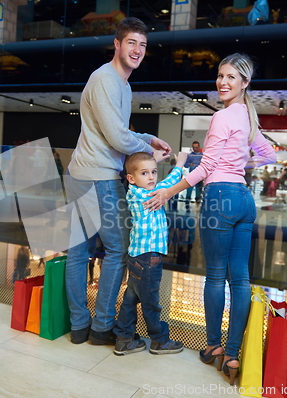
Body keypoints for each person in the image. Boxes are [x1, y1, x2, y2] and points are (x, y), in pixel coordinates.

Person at [144, 53, 276, 385]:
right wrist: (243, 167)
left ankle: (214, 347)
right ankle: (233, 355)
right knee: (240, 280)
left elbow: (205, 169)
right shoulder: (248, 117)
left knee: (216, 278)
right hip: (245, 201)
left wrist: (167, 192)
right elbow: (270, 155)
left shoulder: (223, 116)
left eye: (231, 77)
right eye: (220, 75)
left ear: (245, 83)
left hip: (220, 199)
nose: (222, 82)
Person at [64, 17, 172, 346]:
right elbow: (115, 138)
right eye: (131, 43)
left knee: (78, 252)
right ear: (117, 44)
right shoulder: (107, 79)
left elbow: (120, 133)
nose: (137, 50)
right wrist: (145, 148)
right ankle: (101, 328)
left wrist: (147, 138)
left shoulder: (121, 85)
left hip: (79, 173)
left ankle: (79, 327)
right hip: (98, 176)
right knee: (118, 250)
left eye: (142, 45)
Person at [113, 151, 187, 355]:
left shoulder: (132, 191)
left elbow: (142, 172)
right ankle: (159, 340)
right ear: (131, 178)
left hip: (137, 256)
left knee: (131, 299)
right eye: (145, 173)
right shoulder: (151, 193)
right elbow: (172, 182)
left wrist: (154, 162)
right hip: (148, 259)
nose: (152, 177)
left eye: (154, 172)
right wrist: (180, 163)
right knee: (151, 302)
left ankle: (124, 338)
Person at [185, 141, 203, 206]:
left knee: (198, 193)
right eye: (194, 147)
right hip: (191, 176)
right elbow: (185, 165)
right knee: (189, 192)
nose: (195, 149)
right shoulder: (190, 155)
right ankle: (187, 207)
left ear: (199, 147)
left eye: (196, 147)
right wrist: (190, 164)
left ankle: (197, 209)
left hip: (199, 177)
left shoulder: (202, 155)